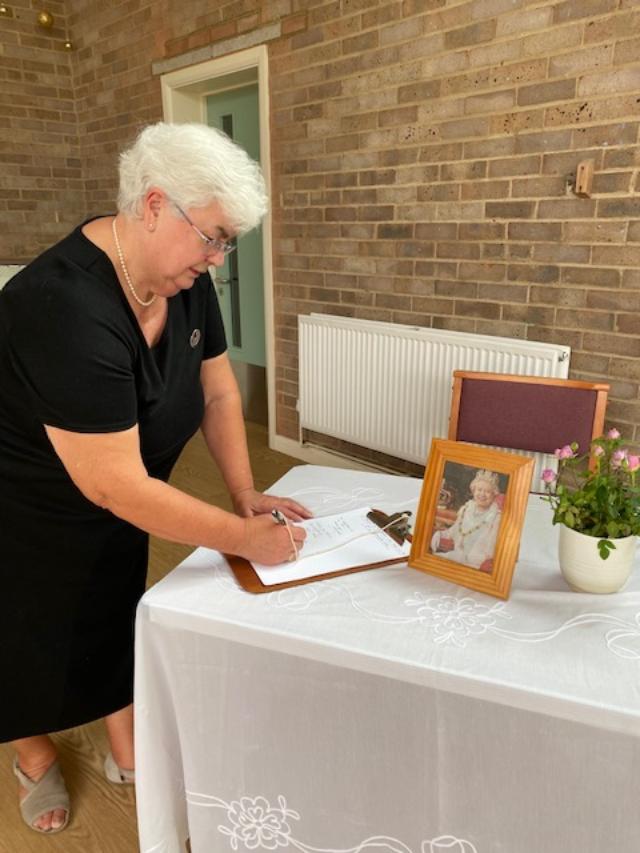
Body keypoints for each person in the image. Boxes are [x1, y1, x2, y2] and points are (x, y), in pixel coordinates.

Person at [0, 122, 310, 834]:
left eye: (227, 241)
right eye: (213, 235)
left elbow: (221, 392)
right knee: (22, 631)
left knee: (113, 602)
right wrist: (241, 537)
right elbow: (115, 485)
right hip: (23, 501)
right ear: (153, 204)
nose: (218, 257)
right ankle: (34, 753)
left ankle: (123, 738)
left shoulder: (185, 280)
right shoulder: (60, 305)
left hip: (118, 495)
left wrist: (245, 492)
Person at [430, 470, 502, 572]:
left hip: (476, 564)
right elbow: (453, 532)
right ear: (473, 491)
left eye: (487, 491)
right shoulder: (466, 509)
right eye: (479, 489)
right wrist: (439, 535)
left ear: (494, 494)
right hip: (457, 556)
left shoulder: (496, 517)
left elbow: (492, 549)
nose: (482, 494)